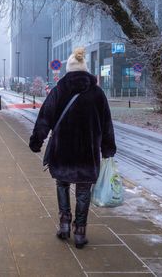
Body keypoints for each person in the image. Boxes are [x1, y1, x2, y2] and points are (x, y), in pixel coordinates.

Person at [29, 47, 116, 249]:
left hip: (63, 151)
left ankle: (64, 224)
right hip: (88, 152)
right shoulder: (97, 93)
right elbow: (107, 125)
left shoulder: (59, 90)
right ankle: (80, 232)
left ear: (68, 70)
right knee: (84, 190)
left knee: (62, 183)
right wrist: (108, 149)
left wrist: (36, 141)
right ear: (85, 70)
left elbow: (44, 118)